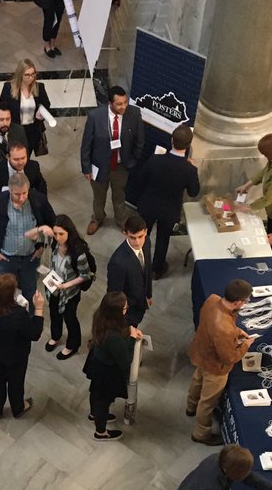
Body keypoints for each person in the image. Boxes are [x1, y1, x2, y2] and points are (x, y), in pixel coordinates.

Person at [125, 123, 200, 278]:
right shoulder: (189, 170)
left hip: (148, 205)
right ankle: (156, 269)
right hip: (169, 210)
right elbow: (194, 192)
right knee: (162, 239)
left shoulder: (155, 160)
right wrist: (194, 170)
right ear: (188, 145)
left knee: (142, 235)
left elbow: (139, 179)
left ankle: (138, 263)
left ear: (172, 140)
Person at [187, 278, 255, 445]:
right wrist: (245, 345)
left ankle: (190, 406)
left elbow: (213, 325)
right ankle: (201, 433)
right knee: (208, 401)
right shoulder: (223, 328)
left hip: (201, 353)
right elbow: (229, 357)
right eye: (245, 301)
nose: (245, 303)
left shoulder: (212, 299)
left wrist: (236, 331)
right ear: (238, 302)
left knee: (197, 380)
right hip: (215, 366)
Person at [0, 273, 44, 418]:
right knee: (16, 383)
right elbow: (34, 333)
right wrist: (38, 309)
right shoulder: (18, 315)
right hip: (16, 355)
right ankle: (17, 408)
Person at [0, 173, 56, 302]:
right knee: (4, 293)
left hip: (30, 258)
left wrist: (42, 246)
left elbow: (51, 223)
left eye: (24, 193)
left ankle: (30, 318)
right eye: (17, 194)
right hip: (6, 258)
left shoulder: (39, 201)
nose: (21, 198)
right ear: (10, 190)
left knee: (30, 290)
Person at [80, 87, 145, 234]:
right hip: (99, 166)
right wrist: (86, 168)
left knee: (119, 195)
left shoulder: (134, 114)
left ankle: (121, 220)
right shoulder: (95, 116)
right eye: (119, 104)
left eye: (125, 102)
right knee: (98, 196)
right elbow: (86, 144)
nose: (124, 107)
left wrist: (133, 160)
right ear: (110, 103)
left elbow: (139, 140)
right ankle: (97, 218)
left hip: (121, 166)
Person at [86, 292, 141, 441]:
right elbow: (125, 360)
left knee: (96, 393)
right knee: (104, 400)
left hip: (97, 363)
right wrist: (131, 338)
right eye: (124, 308)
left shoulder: (100, 317)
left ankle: (93, 414)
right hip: (107, 372)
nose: (127, 309)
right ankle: (101, 431)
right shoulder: (113, 337)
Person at [37, 214, 92, 359]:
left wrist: (66, 285)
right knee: (54, 313)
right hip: (54, 286)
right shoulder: (54, 243)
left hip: (70, 293)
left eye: (61, 234)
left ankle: (72, 345)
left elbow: (85, 275)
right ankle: (56, 336)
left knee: (70, 318)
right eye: (55, 233)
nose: (58, 237)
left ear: (69, 232)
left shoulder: (78, 253)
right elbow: (38, 237)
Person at [0, 139, 47, 218]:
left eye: (23, 158)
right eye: (16, 159)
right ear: (8, 157)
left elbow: (41, 187)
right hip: (2, 213)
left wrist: (39, 206)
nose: (20, 162)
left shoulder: (33, 167)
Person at [106, 214, 152, 327]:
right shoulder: (117, 262)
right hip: (128, 313)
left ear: (146, 232)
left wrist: (148, 294)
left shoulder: (147, 242)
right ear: (125, 234)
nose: (137, 242)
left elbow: (147, 270)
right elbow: (114, 296)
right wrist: (124, 323)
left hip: (141, 303)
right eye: (132, 237)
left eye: (140, 236)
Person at [0, 59, 52, 157]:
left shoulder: (39, 87)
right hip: (15, 130)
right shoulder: (8, 88)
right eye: (27, 75)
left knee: (26, 157)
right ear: (20, 75)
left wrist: (41, 113)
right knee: (15, 156)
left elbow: (46, 105)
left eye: (33, 74)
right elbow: (2, 108)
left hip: (32, 130)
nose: (31, 77)